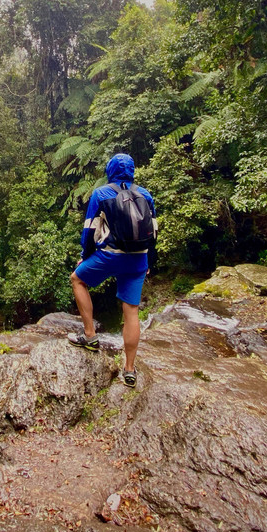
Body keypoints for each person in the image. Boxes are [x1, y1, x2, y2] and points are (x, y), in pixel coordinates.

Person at [68, 153, 156, 388]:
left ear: (110, 170)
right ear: (132, 170)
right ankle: (129, 370)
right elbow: (153, 232)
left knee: (77, 279)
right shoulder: (146, 194)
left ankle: (90, 336)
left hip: (110, 256)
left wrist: (84, 257)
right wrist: (148, 263)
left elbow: (89, 230)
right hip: (138, 260)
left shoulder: (101, 193)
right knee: (132, 310)